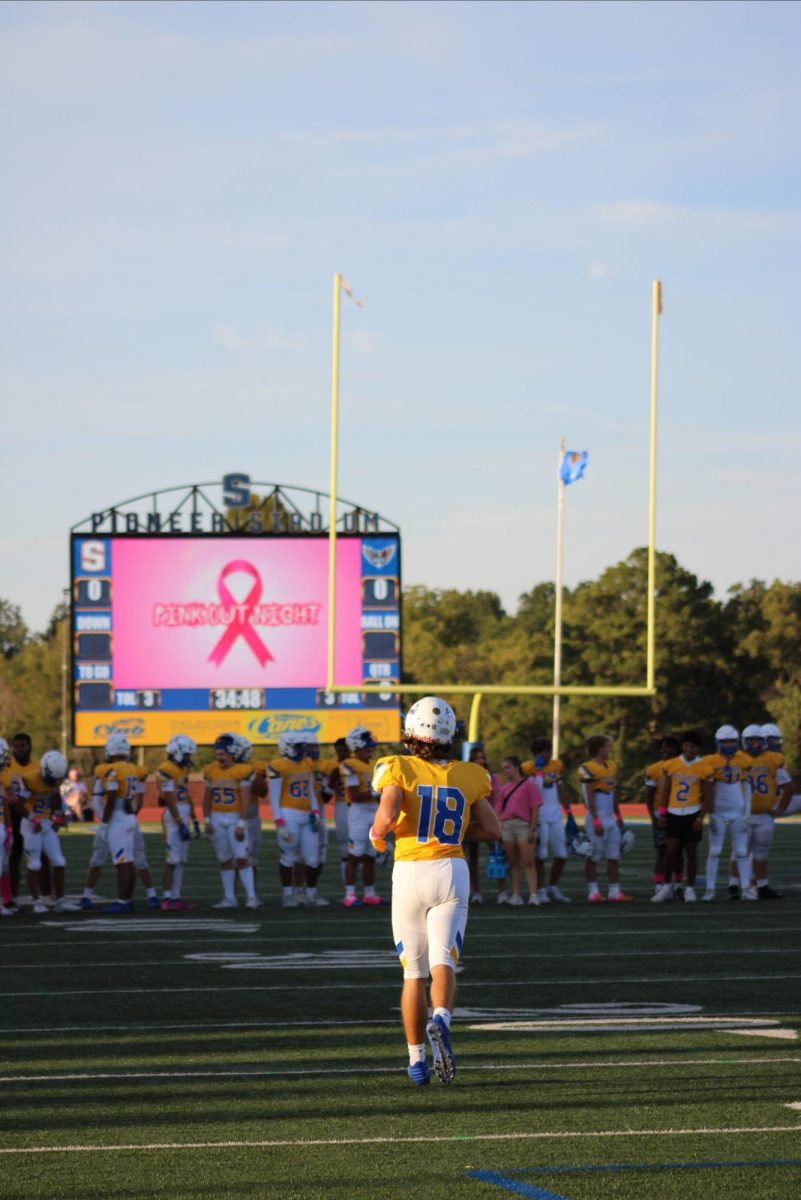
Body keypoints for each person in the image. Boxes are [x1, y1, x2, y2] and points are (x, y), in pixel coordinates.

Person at [369, 697, 502, 1086]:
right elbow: (492, 830)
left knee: (413, 974)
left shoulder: (397, 767)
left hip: (410, 869)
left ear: (412, 733)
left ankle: (415, 1061)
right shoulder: (471, 773)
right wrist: (457, 833)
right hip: (452, 869)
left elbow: (389, 813)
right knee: (444, 961)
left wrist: (377, 834)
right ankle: (441, 1018)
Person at [80, 735, 159, 911]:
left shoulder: (110, 769)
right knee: (128, 861)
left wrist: (106, 823)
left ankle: (123, 902)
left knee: (122, 862)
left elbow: (112, 797)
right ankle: (127, 900)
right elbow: (138, 797)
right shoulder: (133, 768)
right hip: (129, 817)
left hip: (117, 818)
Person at [731, 723, 793, 899]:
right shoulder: (737, 758)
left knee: (759, 852)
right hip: (744, 814)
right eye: (751, 740)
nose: (755, 744)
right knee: (739, 851)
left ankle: (758, 885)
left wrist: (779, 808)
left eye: (758, 741)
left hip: (765, 812)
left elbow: (787, 786)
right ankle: (735, 886)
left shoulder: (774, 759)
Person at [12, 750, 78, 913]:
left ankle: (61, 901)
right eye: (52, 778)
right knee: (34, 864)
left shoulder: (54, 781)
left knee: (59, 862)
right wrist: (33, 819)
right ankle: (37, 902)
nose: (54, 782)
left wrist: (59, 817)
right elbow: (18, 805)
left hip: (46, 825)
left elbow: (55, 798)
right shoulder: (30, 780)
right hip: (31, 825)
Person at [652, 731, 713, 904]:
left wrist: (701, 817)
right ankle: (666, 887)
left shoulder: (705, 767)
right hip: (673, 813)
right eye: (686, 746)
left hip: (692, 812)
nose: (689, 749)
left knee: (691, 853)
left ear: (698, 748)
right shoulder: (671, 764)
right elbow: (666, 791)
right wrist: (662, 813)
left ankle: (690, 889)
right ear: (682, 746)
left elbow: (708, 796)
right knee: (670, 853)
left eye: (692, 746)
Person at [267, 732, 324, 908]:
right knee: (288, 856)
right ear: (287, 748)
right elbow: (274, 797)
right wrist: (279, 822)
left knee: (312, 858)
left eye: (302, 746)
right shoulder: (277, 766)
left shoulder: (307, 764)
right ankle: (288, 896)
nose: (302, 750)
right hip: (288, 814)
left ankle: (311, 895)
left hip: (307, 815)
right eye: (298, 746)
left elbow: (310, 791)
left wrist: (315, 811)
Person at [203, 734, 260, 909]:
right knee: (224, 859)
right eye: (217, 754)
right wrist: (207, 820)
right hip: (217, 817)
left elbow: (245, 799)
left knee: (241, 857)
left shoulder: (242, 771)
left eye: (222, 754)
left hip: (234, 816)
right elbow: (207, 799)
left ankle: (251, 897)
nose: (219, 757)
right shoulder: (211, 771)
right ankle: (230, 898)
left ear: (233, 753)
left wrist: (241, 823)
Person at [702, 725, 753, 901]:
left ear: (737, 742)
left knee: (741, 851)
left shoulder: (744, 760)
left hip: (738, 811)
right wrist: (709, 813)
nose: (728, 745)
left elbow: (746, 788)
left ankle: (746, 888)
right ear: (718, 743)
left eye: (731, 741)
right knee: (715, 851)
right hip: (718, 812)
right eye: (724, 742)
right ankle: (710, 890)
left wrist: (748, 812)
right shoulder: (709, 761)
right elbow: (706, 789)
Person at [578, 735, 630, 903]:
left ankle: (615, 891)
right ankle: (593, 891)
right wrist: (596, 821)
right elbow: (589, 798)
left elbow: (613, 793)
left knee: (614, 856)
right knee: (594, 855)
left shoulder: (611, 766)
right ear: (599, 748)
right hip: (597, 816)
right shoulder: (588, 768)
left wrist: (619, 815)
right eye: (607, 747)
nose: (609, 750)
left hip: (610, 817)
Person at [523, 737, 572, 903]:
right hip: (540, 816)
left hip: (556, 815)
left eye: (549, 750)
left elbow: (560, 789)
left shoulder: (556, 766)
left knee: (562, 854)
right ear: (537, 753)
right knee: (541, 854)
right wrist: (537, 772)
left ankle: (552, 888)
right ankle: (540, 890)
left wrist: (569, 812)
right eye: (545, 751)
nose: (549, 754)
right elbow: (534, 793)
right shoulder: (528, 768)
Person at [342, 726, 384, 907]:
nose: (371, 748)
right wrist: (376, 795)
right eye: (367, 744)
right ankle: (349, 894)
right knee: (355, 855)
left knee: (370, 855)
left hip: (373, 812)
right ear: (357, 744)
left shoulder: (375, 764)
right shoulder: (349, 765)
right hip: (358, 813)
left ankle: (369, 893)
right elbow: (353, 795)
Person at [157, 735, 200, 910]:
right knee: (172, 859)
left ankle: (176, 896)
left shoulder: (182, 770)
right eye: (188, 754)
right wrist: (179, 822)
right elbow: (168, 799)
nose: (190, 758)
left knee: (181, 860)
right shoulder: (166, 769)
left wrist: (194, 817)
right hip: (173, 815)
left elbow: (187, 794)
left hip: (182, 813)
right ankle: (167, 898)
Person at [493, 756, 542, 906]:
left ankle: (533, 894)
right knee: (513, 862)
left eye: (507, 767)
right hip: (507, 826)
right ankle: (516, 894)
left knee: (528, 861)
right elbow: (498, 810)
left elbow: (535, 807)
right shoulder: (504, 788)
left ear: (516, 767)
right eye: (503, 769)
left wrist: (533, 828)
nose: (505, 771)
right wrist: (500, 824)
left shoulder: (530, 785)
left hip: (523, 825)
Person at [643, 736, 682, 898]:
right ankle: (659, 885)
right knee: (662, 851)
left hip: (680, 812)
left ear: (676, 749)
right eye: (662, 748)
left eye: (668, 748)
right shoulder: (654, 769)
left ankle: (678, 885)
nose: (664, 751)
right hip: (662, 814)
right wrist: (653, 816)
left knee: (679, 852)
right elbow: (649, 795)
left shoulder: (683, 766)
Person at [464, 745, 500, 905]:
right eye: (477, 758)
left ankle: (503, 891)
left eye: (482, 757)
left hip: (489, 819)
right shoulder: (467, 776)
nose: (481, 760)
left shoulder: (491, 776)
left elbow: (498, 796)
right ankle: (476, 891)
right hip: (471, 819)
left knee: (499, 855)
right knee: (472, 857)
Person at [0, 738, 14, 915]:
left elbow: (5, 805)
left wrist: (9, 829)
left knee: (4, 866)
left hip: (2, 824)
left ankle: (6, 900)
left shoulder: (4, 776)